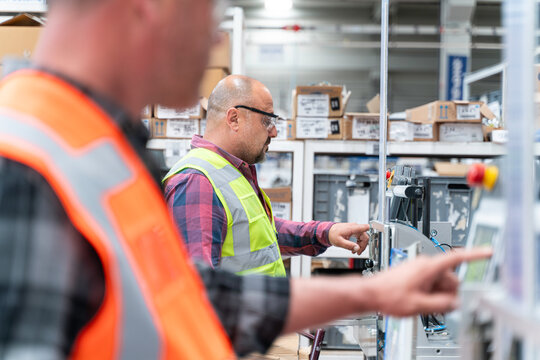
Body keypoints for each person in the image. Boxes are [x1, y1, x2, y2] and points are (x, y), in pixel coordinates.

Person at [0, 0, 491, 359]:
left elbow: (194, 299)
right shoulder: (27, 169)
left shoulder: (101, 153)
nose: (216, 38)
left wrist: (374, 292)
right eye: (207, 12)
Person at [163, 74, 369, 275]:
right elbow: (198, 288)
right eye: (267, 121)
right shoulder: (197, 182)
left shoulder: (228, 170)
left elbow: (264, 234)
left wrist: (325, 233)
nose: (274, 132)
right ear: (234, 119)